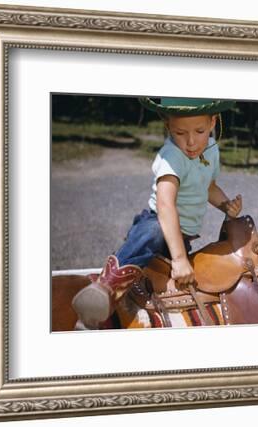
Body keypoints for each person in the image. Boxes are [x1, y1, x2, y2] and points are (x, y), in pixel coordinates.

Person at [72, 97, 243, 329]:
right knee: (152, 233)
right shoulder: (171, 156)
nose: (191, 142)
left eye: (200, 131)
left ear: (213, 122)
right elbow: (165, 205)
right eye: (180, 133)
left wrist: (225, 204)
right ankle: (104, 288)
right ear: (168, 126)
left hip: (181, 237)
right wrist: (180, 259)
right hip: (158, 221)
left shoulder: (211, 151)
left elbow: (208, 186)